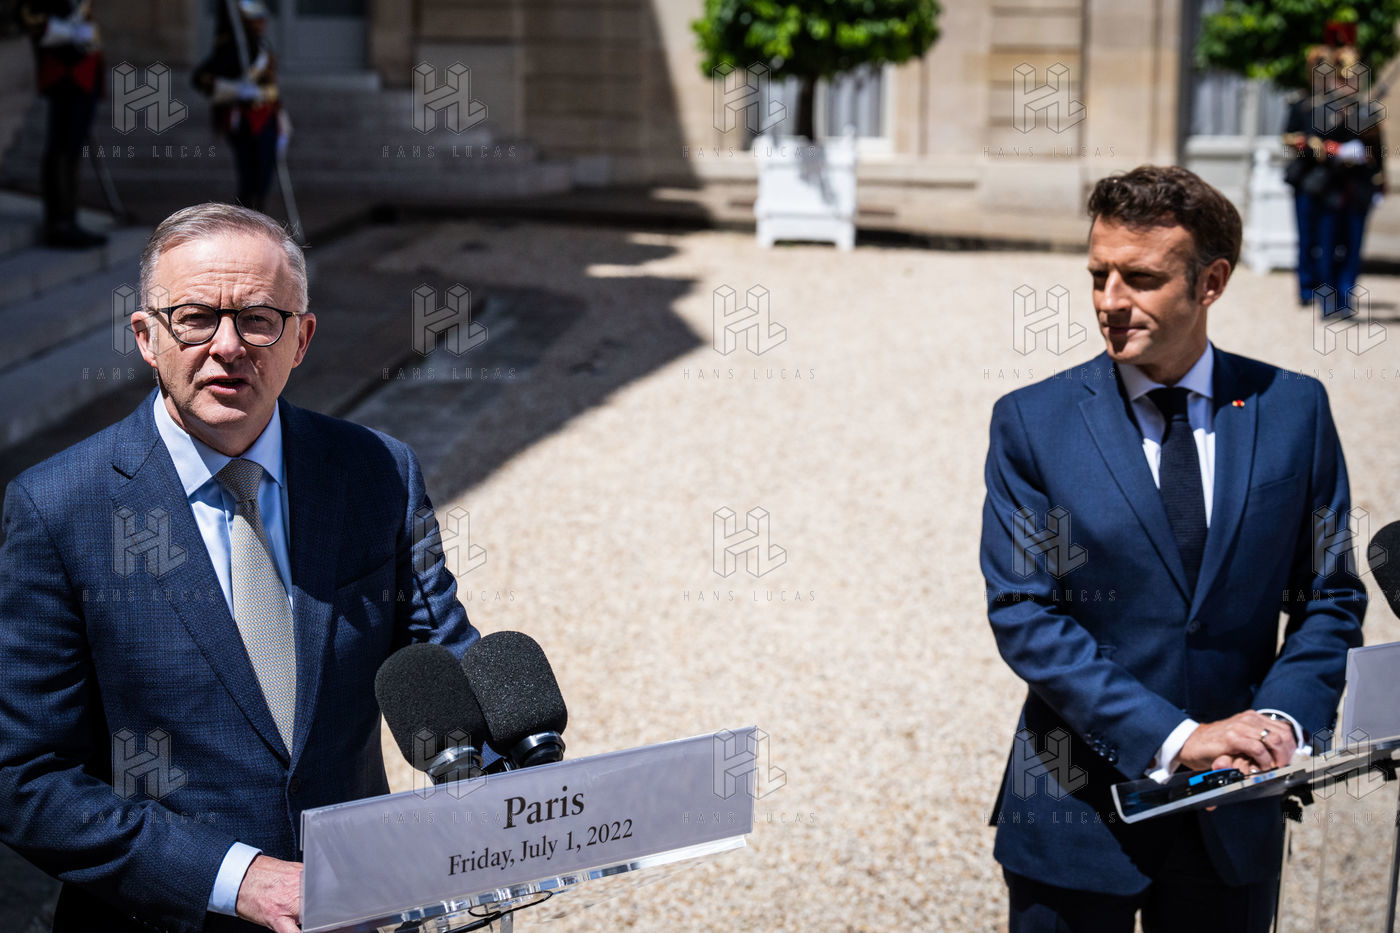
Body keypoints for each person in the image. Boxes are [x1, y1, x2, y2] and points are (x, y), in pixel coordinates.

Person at [0, 203, 477, 932]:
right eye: (194, 318)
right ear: (146, 337)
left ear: (301, 338)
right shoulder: (57, 507)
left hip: (353, 912)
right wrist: (238, 878)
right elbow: (24, 775)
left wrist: (519, 790)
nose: (227, 346)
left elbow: (443, 663)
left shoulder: (376, 472)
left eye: (258, 320)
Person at [980, 165, 1365, 932]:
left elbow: (1329, 596)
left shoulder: (1295, 410)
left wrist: (1278, 724)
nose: (1110, 300)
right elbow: (1025, 614)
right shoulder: (1032, 422)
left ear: (1210, 281)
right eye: (1099, 275)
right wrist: (1179, 738)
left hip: (1235, 818)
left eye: (1142, 278)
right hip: (1075, 817)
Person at [18, 0, 109, 247]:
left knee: (72, 150)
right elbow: (30, 18)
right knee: (62, 149)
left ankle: (69, 218)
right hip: (66, 73)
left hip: (85, 72)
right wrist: (71, 32)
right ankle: (60, 223)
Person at [193, 1, 285, 212]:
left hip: (266, 115)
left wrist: (281, 116)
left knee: (265, 169)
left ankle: (259, 211)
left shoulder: (263, 46)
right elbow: (201, 79)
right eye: (256, 20)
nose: (261, 24)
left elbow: (271, 85)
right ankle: (247, 213)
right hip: (243, 119)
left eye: (262, 19)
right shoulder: (231, 48)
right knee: (249, 171)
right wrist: (236, 90)